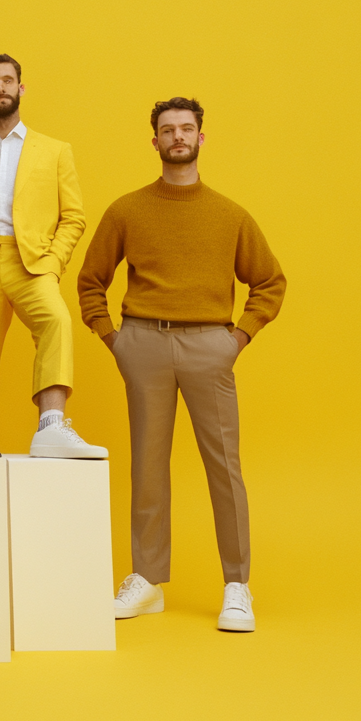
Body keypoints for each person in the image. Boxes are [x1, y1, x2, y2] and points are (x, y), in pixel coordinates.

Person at [77, 97, 285, 633]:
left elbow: (269, 282)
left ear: (200, 137)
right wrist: (113, 338)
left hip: (209, 346)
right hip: (142, 341)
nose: (177, 137)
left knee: (224, 466)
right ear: (154, 142)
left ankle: (237, 585)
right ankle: (147, 579)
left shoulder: (230, 214)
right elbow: (90, 281)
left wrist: (236, 338)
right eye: (167, 130)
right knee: (147, 465)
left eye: (186, 129)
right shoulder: (126, 210)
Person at [0, 54, 104, 459]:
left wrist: (53, 263)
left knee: (57, 320)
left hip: (32, 263)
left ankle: (51, 425)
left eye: (8, 80)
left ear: (21, 87)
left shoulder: (56, 151)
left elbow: (73, 216)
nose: (1, 88)